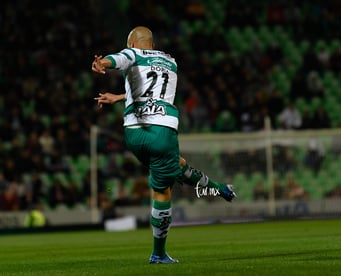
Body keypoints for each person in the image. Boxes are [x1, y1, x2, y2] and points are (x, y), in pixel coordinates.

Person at [91, 26, 236, 264]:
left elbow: (119, 60)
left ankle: (219, 188)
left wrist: (102, 64)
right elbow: (153, 88)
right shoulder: (171, 62)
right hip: (161, 129)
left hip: (133, 132)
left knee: (176, 166)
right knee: (162, 188)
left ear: (133, 44)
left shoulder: (133, 54)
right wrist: (118, 93)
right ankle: (158, 254)